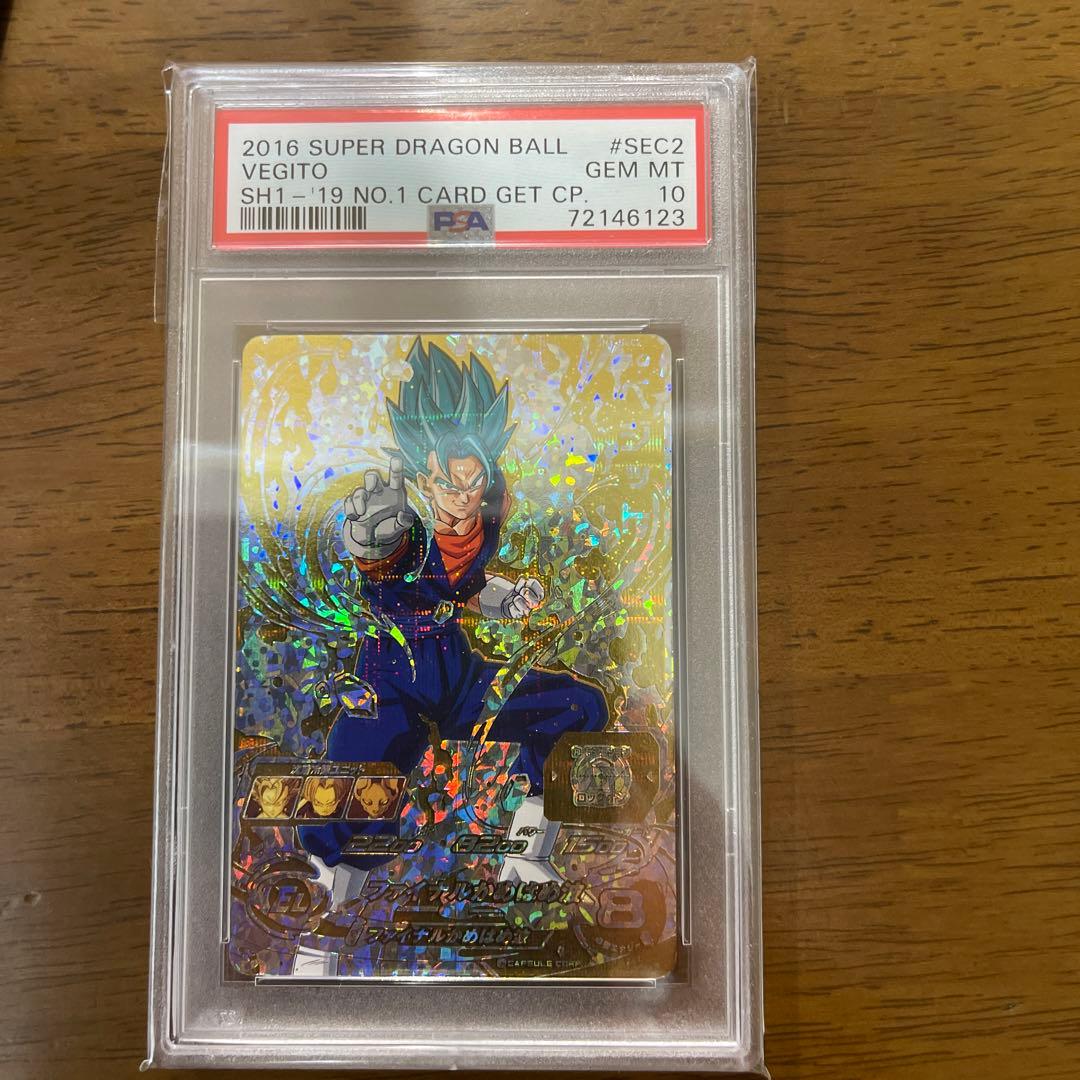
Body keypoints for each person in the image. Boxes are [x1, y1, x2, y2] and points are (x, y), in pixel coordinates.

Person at [297, 339, 607, 888]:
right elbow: (385, 566)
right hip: (392, 683)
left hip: (457, 677)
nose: (462, 497)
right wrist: (371, 545)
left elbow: (467, 586)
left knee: (579, 707)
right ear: (424, 481)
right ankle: (322, 895)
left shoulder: (484, 520)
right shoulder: (404, 527)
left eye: (472, 482)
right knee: (343, 810)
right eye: (448, 484)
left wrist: (506, 597)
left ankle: (526, 852)